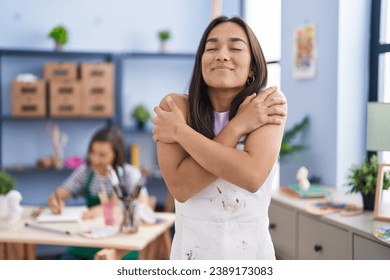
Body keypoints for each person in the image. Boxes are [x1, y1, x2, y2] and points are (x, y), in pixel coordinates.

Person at [152, 16, 287, 260]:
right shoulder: (176, 107)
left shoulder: (267, 105)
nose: (221, 55)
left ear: (252, 67)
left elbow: (251, 176)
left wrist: (181, 132)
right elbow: (181, 188)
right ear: (200, 62)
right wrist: (238, 127)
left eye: (235, 48)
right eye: (211, 48)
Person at [48, 126, 142, 260]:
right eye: (92, 152)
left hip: (120, 245)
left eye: (102, 155)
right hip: (86, 242)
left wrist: (111, 209)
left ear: (116, 155)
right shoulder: (85, 171)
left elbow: (144, 207)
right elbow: (57, 195)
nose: (95, 159)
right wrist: (54, 201)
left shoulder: (129, 174)